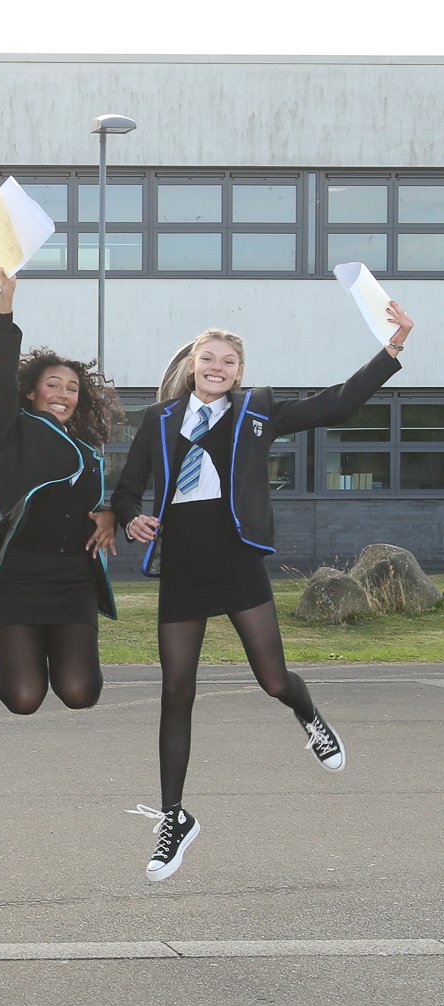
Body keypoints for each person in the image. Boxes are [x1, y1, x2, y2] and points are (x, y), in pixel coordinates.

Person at [112, 300, 416, 882]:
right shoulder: (156, 419)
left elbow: (339, 403)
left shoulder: (258, 410)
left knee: (273, 680)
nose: (217, 367)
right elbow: (128, 490)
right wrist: (131, 518)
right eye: (209, 358)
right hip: (183, 567)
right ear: (193, 363)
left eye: (228, 361)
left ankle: (309, 717)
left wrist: (393, 346)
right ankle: (175, 819)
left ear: (239, 370)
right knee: (175, 692)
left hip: (236, 560)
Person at [0, 270, 119, 715]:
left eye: (72, 388)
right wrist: (3, 313)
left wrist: (110, 512)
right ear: (29, 392)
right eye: (52, 385)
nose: (63, 394)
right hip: (20, 579)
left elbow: (88, 502)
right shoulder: (6, 433)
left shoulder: (86, 451)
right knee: (24, 698)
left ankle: (46, 646)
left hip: (73, 581)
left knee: (81, 694)